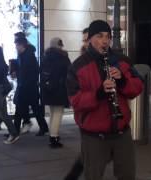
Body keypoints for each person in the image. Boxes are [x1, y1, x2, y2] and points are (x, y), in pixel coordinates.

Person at [66, 20, 143, 180]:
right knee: (93, 175)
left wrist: (122, 81)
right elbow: (75, 101)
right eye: (100, 36)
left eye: (108, 36)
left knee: (128, 174)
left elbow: (138, 87)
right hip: (94, 136)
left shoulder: (122, 61)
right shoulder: (78, 67)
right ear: (90, 39)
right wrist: (98, 94)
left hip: (122, 133)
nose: (105, 41)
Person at [64, 27, 89, 180]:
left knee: (92, 152)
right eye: (84, 40)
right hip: (87, 114)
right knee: (89, 151)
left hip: (105, 118)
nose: (85, 43)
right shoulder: (80, 63)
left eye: (87, 39)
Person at [13, 37, 49, 135]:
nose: (15, 47)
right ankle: (43, 127)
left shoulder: (28, 56)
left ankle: (15, 131)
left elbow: (33, 71)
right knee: (31, 109)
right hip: (26, 86)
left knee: (25, 109)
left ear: (21, 45)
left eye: (16, 45)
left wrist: (24, 80)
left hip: (28, 87)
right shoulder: (23, 55)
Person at [41, 37, 71, 148]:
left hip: (48, 89)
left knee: (53, 113)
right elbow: (69, 71)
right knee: (58, 113)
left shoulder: (46, 57)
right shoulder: (62, 57)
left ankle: (52, 134)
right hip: (59, 89)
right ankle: (54, 137)